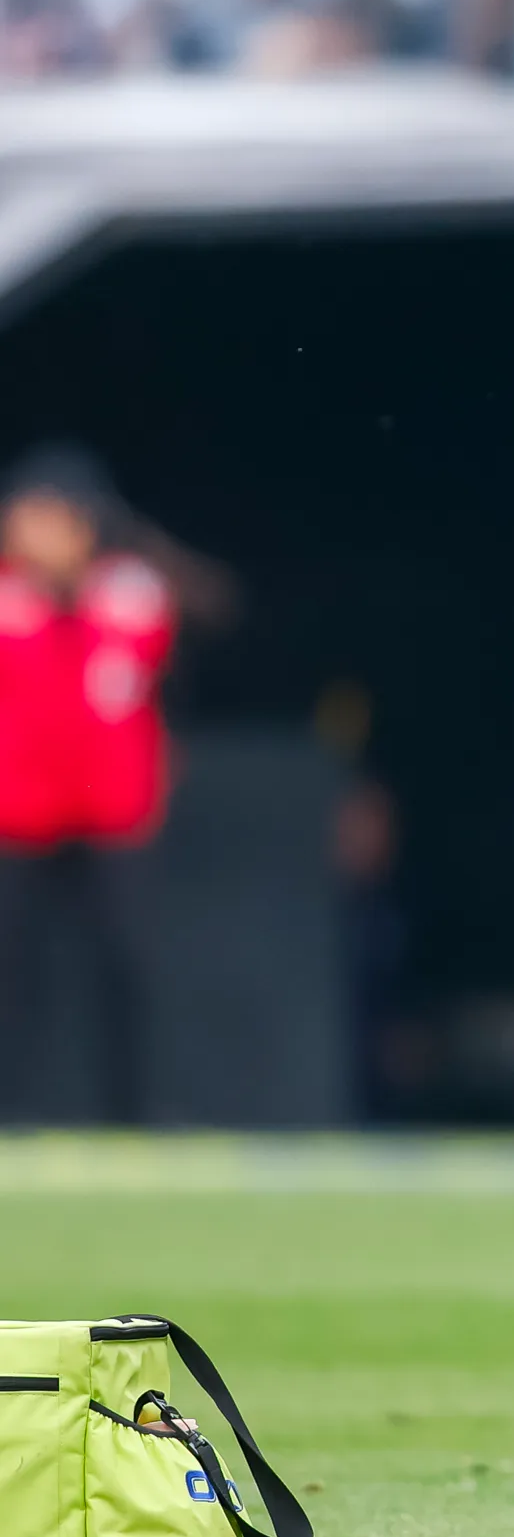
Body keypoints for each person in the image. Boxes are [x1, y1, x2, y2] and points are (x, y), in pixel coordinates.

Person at [0, 445, 175, 1123]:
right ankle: (10, 1111)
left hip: (112, 809)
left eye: (47, 517)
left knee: (127, 962)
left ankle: (137, 1114)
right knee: (13, 971)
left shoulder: (133, 590)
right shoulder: (8, 594)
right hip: (18, 809)